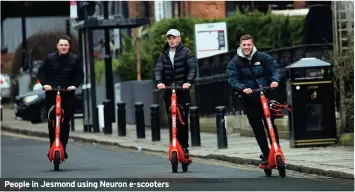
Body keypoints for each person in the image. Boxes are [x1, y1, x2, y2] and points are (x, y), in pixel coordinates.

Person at [225, 34, 282, 164]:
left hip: (265, 97)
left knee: (270, 125)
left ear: (253, 45)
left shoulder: (262, 57)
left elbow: (276, 69)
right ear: (240, 45)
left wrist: (275, 80)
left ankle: (276, 148)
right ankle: (267, 154)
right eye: (244, 45)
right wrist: (242, 88)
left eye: (249, 45)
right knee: (258, 129)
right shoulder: (235, 63)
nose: (246, 47)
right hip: (250, 100)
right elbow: (231, 79)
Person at [37, 35, 84, 159]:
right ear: (57, 46)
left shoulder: (74, 59)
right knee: (52, 121)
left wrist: (74, 85)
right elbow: (41, 72)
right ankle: (53, 145)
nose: (63, 47)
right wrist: (45, 84)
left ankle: (62, 147)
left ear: (69, 46)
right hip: (52, 93)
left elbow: (79, 75)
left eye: (66, 45)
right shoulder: (50, 58)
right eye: (61, 45)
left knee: (65, 123)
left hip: (67, 93)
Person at [154, 29, 197, 158]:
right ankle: (173, 144)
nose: (171, 40)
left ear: (179, 39)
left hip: (182, 91)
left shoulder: (186, 52)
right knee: (171, 119)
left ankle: (184, 147)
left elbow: (192, 68)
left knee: (182, 119)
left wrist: (188, 82)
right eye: (169, 38)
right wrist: (159, 82)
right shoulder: (164, 54)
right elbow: (158, 70)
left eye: (174, 38)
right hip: (168, 91)